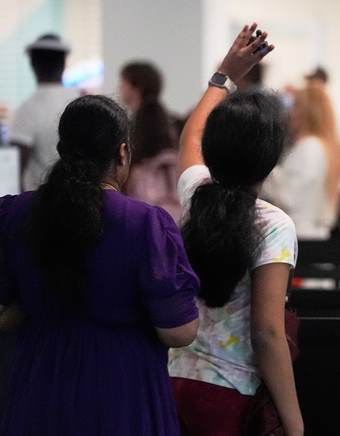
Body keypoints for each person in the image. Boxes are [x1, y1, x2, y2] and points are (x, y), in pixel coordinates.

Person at [0, 95, 199, 435]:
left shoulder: (14, 214)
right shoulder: (146, 224)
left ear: (62, 150)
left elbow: (4, 316)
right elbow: (178, 331)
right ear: (122, 152)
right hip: (123, 389)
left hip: (40, 383)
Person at [169, 24, 303, 436]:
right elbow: (266, 333)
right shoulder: (274, 226)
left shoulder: (196, 196)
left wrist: (225, 74)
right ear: (271, 158)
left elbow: (191, 134)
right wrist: (294, 422)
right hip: (232, 395)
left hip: (174, 384)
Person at [262, 86, 340, 239]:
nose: (290, 114)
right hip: (314, 235)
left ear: (309, 113)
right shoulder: (324, 148)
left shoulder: (308, 148)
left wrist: (265, 173)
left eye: (295, 107)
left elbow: (288, 198)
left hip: (299, 235)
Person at [8, 33, 81, 191]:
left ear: (33, 65)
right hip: (83, 200)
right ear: (63, 64)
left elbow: (15, 166)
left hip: (41, 204)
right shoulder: (82, 102)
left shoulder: (27, 110)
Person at [120, 61, 182, 222]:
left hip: (142, 199)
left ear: (136, 88)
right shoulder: (167, 118)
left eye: (123, 82)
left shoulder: (136, 123)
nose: (120, 87)